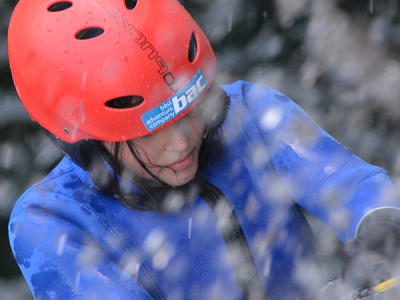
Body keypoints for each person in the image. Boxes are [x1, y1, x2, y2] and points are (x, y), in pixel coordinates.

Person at [7, 0, 400, 299]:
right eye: (148, 133)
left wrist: (381, 235)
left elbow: (359, 191)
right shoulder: (51, 221)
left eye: (192, 109)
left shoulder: (252, 114)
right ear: (84, 139)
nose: (181, 143)